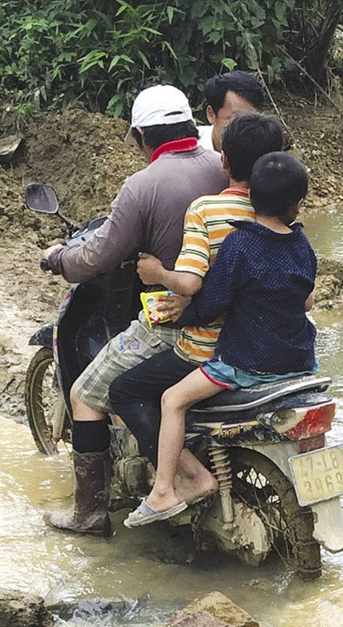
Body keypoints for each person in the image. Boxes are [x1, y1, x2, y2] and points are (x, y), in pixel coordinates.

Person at [43, 84, 227, 537]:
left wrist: (59, 259)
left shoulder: (142, 186)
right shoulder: (222, 167)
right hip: (229, 318)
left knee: (86, 395)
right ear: (191, 124)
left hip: (171, 322)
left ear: (143, 136)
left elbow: (98, 255)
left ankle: (89, 513)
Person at [122, 152, 317, 527]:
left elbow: (211, 303)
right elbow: (306, 299)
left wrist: (182, 316)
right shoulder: (302, 245)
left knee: (171, 399)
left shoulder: (239, 247)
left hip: (245, 366)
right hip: (300, 363)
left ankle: (164, 490)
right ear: (296, 205)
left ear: (250, 199)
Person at [107, 113, 284, 506]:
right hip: (269, 344)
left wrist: (157, 272)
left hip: (211, 351)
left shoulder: (205, 210)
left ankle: (184, 479)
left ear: (224, 162)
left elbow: (189, 283)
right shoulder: (282, 214)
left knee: (125, 390)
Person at [198, 70, 266, 153]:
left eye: (250, 120)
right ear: (211, 114)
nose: (244, 129)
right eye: (235, 119)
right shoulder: (188, 152)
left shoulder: (264, 150)